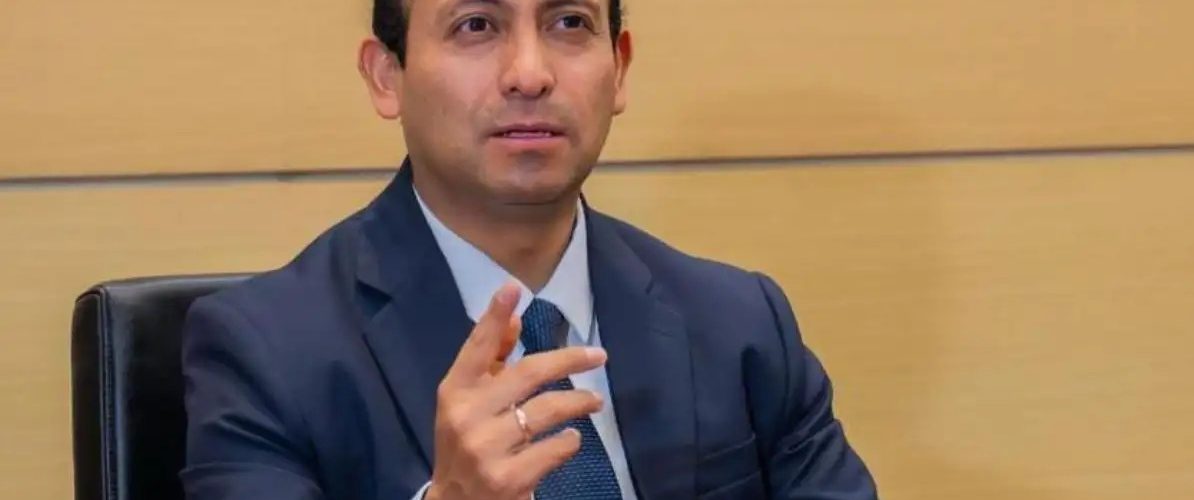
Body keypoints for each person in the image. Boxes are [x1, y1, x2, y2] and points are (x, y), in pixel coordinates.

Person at [179, 0, 877, 498]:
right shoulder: (265, 352)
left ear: (620, 68)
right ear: (386, 76)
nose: (530, 73)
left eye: (568, 23)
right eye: (476, 25)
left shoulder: (741, 322)